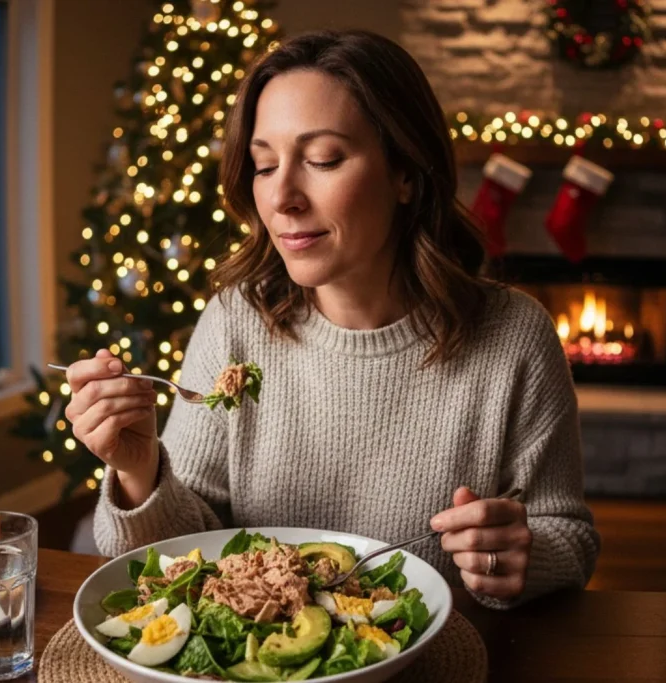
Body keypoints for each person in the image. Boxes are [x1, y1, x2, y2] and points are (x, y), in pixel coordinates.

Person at [64, 29, 600, 609]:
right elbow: (180, 558)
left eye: (322, 159)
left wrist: (521, 556)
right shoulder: (234, 322)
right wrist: (141, 472)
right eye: (264, 165)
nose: (281, 197)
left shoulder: (515, 337)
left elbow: (568, 536)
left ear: (405, 174)